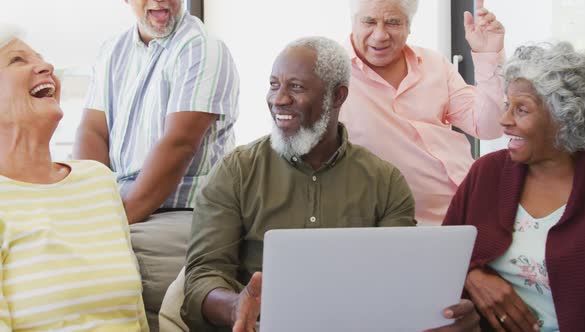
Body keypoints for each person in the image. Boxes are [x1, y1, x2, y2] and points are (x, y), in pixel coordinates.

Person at [158, 36, 481, 332]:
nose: (279, 99)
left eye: (296, 87)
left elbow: (396, 282)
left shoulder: (385, 181)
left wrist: (439, 314)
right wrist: (235, 306)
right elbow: (202, 275)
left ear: (337, 95)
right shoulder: (236, 171)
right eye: (274, 85)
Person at [73, 0, 239, 328]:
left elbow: (178, 146)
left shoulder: (203, 49)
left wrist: (109, 222)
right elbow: (92, 130)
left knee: (88, 266)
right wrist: (90, 205)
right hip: (124, 208)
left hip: (185, 214)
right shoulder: (112, 50)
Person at [0, 26, 148, 331]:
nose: (47, 67)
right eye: (17, 61)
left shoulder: (97, 181)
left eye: (42, 59)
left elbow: (135, 315)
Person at [443, 42, 585, 331]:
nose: (504, 120)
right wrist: (472, 276)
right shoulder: (487, 173)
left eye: (521, 110)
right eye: (507, 105)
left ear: (565, 118)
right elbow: (442, 257)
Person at [339, 0, 505, 225]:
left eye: (393, 22)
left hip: (472, 204)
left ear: (409, 26)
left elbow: (489, 126)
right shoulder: (332, 75)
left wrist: (488, 55)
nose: (379, 35)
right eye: (369, 22)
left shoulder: (434, 63)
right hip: (400, 223)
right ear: (353, 23)